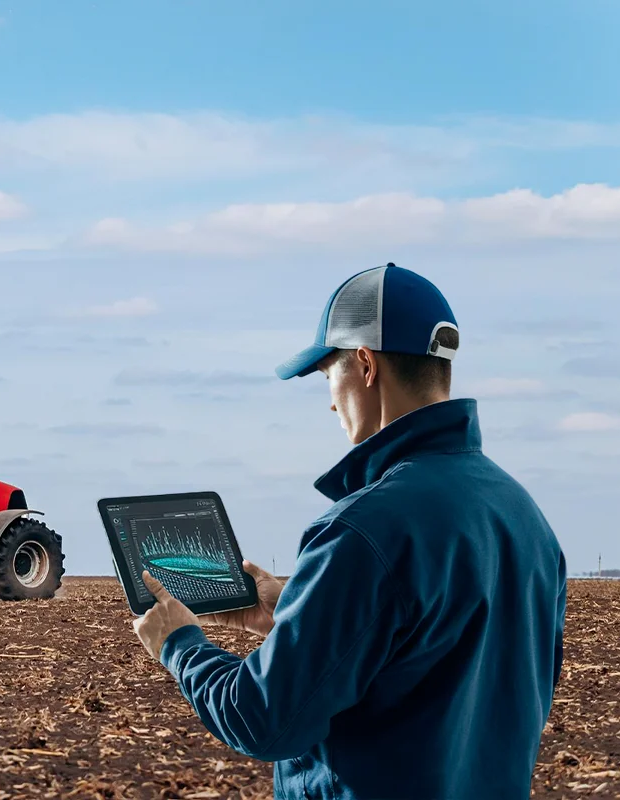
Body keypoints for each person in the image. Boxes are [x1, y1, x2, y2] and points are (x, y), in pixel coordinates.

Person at [131, 263, 567, 799]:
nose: (331, 401)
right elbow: (457, 669)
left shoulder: (363, 529)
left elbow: (263, 720)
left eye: (327, 376)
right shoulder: (522, 513)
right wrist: (296, 612)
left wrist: (180, 644)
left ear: (364, 364)